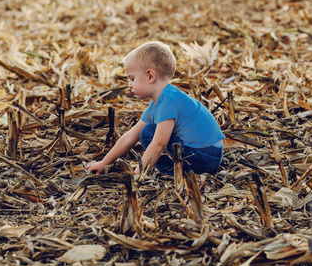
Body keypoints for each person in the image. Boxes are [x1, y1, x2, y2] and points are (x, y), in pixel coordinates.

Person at [86, 41, 224, 176]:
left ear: (150, 76)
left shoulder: (169, 101)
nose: (129, 85)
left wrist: (138, 173)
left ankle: (173, 172)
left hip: (205, 157)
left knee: (149, 133)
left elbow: (159, 143)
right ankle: (173, 170)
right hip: (208, 154)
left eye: (132, 79)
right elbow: (130, 136)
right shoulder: (161, 100)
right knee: (146, 132)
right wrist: (104, 163)